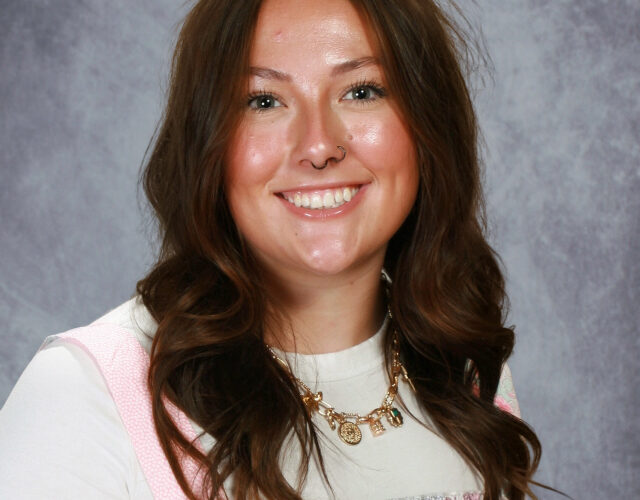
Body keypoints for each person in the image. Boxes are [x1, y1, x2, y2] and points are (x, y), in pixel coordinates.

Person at [0, 0, 544, 498]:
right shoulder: (84, 394)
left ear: (430, 124)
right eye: (264, 100)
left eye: (361, 90)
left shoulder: (463, 365)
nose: (318, 146)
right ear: (206, 144)